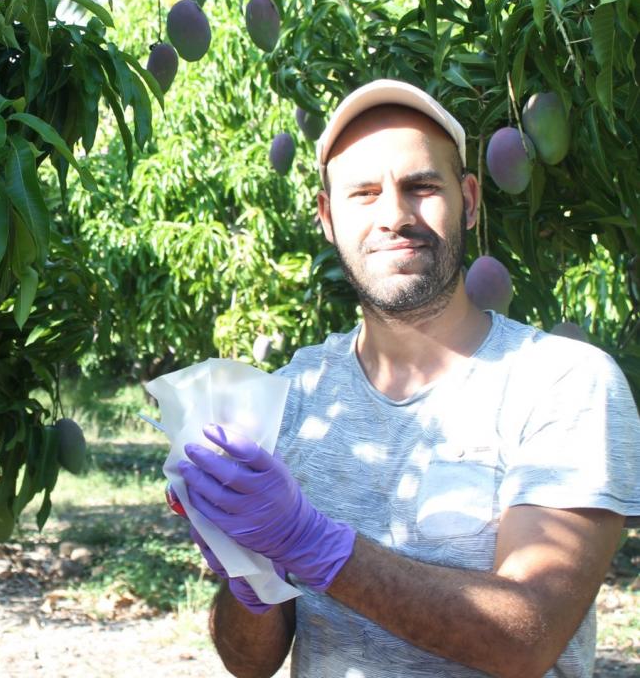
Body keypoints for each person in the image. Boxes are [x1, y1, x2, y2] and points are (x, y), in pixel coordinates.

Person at [177, 79, 640, 678]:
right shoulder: (293, 396)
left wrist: (312, 543)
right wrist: (250, 576)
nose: (394, 216)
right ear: (326, 218)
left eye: (422, 187)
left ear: (470, 201)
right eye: (363, 194)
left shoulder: (565, 383)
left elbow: (527, 638)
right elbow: (251, 664)